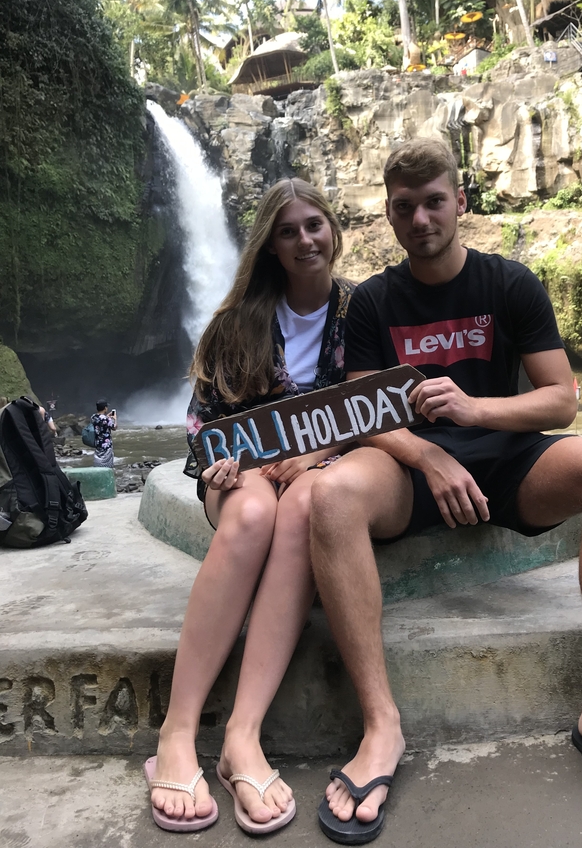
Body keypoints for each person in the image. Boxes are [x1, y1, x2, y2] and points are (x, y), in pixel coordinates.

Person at [309, 138, 582, 845]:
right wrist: (431, 460)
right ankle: (381, 728)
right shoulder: (373, 303)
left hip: (507, 465)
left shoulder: (509, 284)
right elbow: (364, 415)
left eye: (434, 202)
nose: (420, 218)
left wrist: (475, 412)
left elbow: (560, 401)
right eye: (405, 206)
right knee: (332, 496)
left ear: (460, 203)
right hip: (410, 473)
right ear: (389, 215)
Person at [145, 178, 354, 834]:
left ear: (333, 228)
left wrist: (323, 455)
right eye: (287, 230)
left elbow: (380, 407)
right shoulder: (236, 325)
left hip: (320, 476)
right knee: (257, 509)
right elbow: (204, 426)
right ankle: (176, 736)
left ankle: (242, 736)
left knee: (301, 507)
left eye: (313, 224)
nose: (303, 240)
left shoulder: (364, 311)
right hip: (239, 476)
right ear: (268, 245)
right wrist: (224, 463)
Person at [91, 401, 116, 467]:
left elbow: (101, 421)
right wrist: (115, 419)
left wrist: (107, 417)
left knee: (98, 459)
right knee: (107, 463)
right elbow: (114, 427)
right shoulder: (105, 419)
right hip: (106, 444)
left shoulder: (93, 417)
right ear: (105, 408)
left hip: (98, 443)